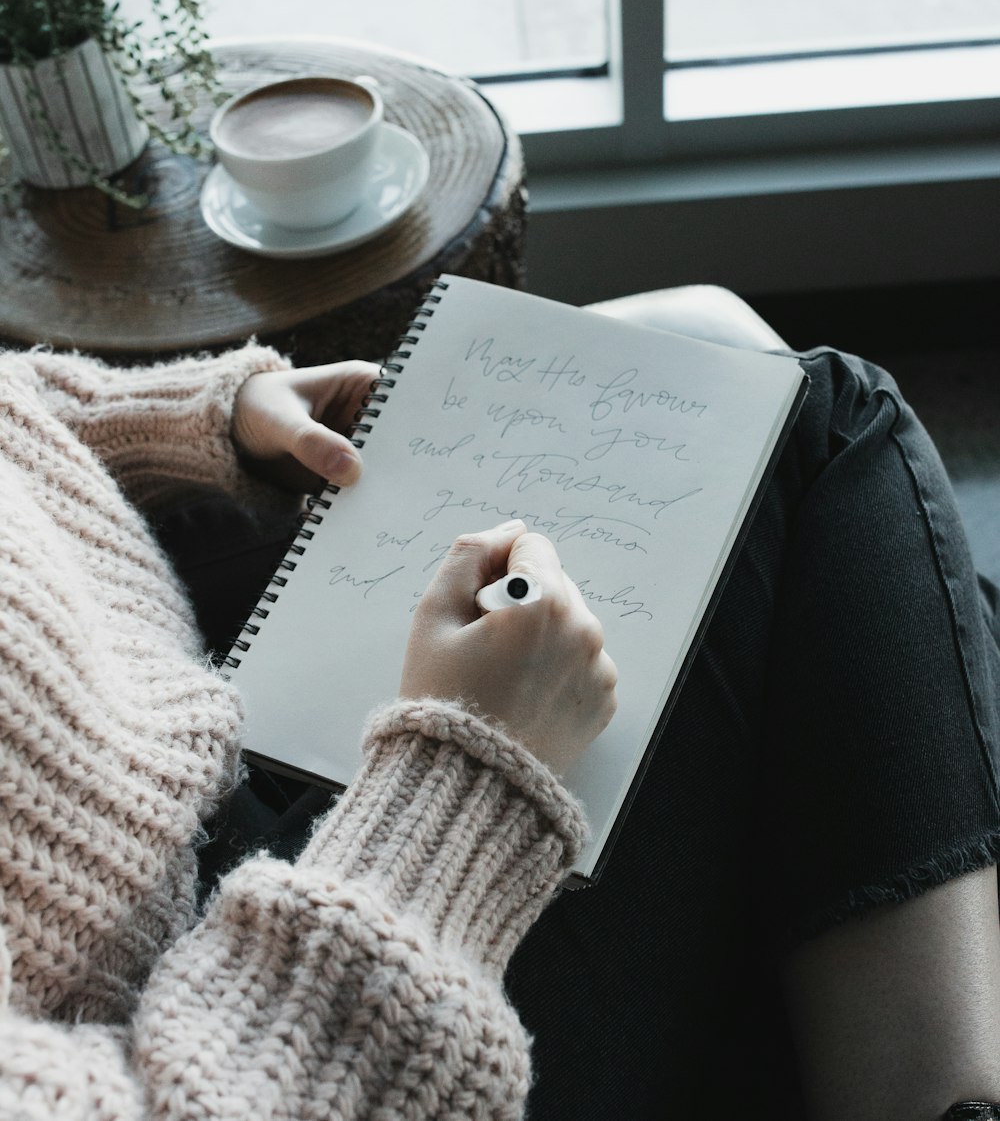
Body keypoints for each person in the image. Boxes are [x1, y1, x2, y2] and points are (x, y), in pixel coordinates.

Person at [0, 294, 999, 1120]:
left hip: (170, 719)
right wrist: (467, 771)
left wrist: (205, 418)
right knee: (829, 422)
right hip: (236, 999)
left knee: (760, 390)